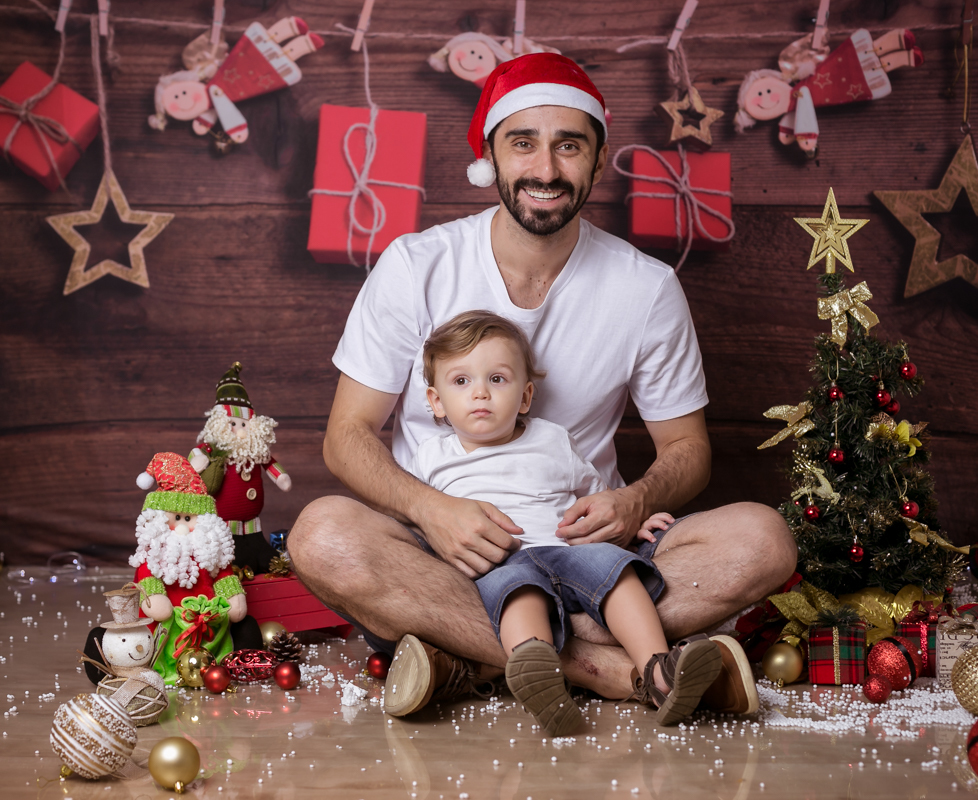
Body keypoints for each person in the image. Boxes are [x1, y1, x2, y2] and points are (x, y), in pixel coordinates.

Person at [289, 52, 796, 716]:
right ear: (491, 157)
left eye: (569, 146)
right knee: (321, 535)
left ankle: (469, 655)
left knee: (765, 539)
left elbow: (688, 450)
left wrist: (635, 501)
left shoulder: (645, 287)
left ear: (597, 156)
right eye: (523, 143)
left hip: (586, 548)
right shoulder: (417, 265)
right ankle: (611, 670)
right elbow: (346, 438)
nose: (546, 170)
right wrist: (431, 512)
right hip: (445, 555)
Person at [410, 310, 723, 735]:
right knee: (517, 594)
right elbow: (418, 518)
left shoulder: (551, 439)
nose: (480, 393)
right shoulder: (431, 457)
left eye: (497, 379)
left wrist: (636, 520)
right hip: (502, 559)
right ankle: (543, 681)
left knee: (617, 572)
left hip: (566, 546)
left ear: (524, 396)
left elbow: (598, 499)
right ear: (436, 402)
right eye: (461, 381)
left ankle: (660, 671)